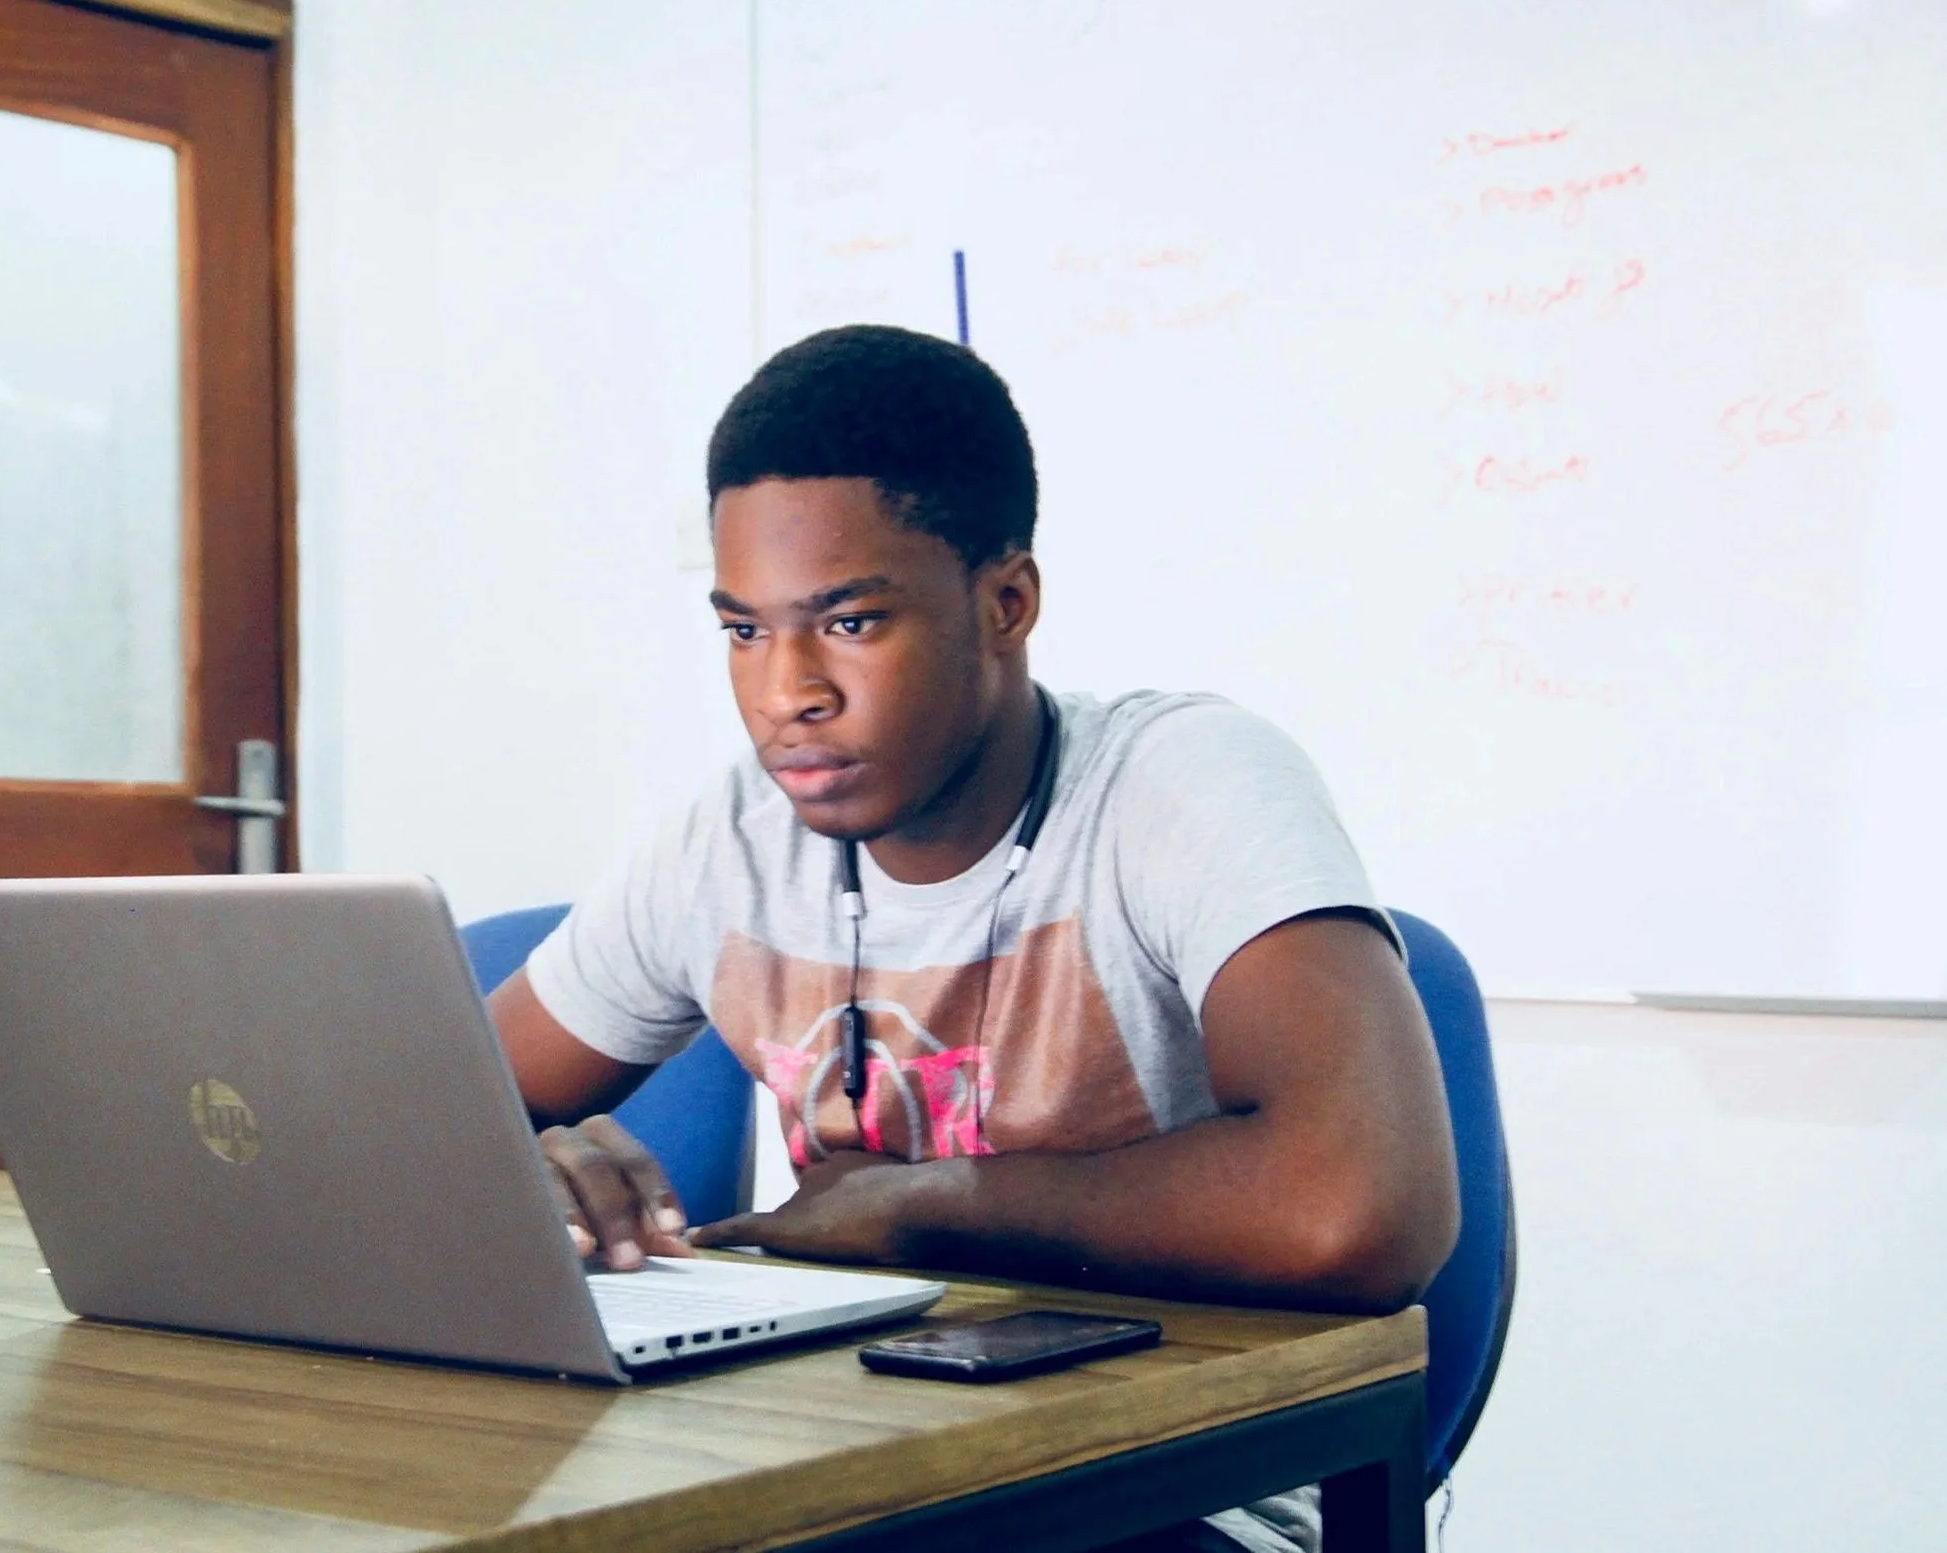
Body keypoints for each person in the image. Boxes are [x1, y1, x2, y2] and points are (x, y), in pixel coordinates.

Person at [487, 324, 1458, 1553]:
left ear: (1006, 603)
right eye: (743, 631)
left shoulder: (1180, 783)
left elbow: (1357, 1210)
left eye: (847, 623)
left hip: (1178, 1484)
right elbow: (421, 1116)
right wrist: (513, 1177)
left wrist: (919, 1203)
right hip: (846, 1465)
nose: (787, 691)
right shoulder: (727, 837)